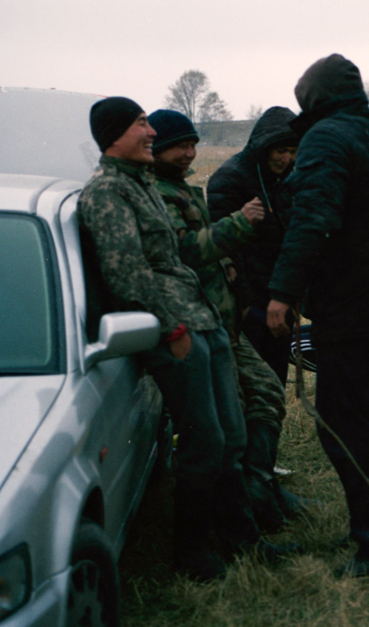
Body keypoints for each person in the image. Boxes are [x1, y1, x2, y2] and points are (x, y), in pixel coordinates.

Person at [77, 96, 295, 581]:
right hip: (179, 329)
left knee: (231, 436)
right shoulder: (107, 193)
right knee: (204, 442)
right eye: (141, 124)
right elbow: (127, 275)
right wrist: (171, 328)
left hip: (205, 319)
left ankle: (243, 542)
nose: (151, 132)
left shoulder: (140, 183)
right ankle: (193, 553)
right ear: (114, 135)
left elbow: (175, 258)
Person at [265, 55, 369, 578]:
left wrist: (283, 291)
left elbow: (314, 217)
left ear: (313, 99)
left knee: (342, 421)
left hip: (350, 303)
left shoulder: (326, 138)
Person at [147, 108, 310, 532]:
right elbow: (197, 251)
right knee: (228, 423)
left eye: (193, 144)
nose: (189, 153)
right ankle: (235, 520)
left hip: (233, 313)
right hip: (218, 318)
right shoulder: (216, 183)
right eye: (180, 146)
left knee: (266, 394)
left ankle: (261, 490)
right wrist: (252, 299)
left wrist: (283, 292)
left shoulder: (186, 189)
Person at [207, 107, 298, 384]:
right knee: (250, 385)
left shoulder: (285, 180)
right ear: (264, 145)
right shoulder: (230, 179)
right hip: (247, 305)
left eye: (293, 151)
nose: (287, 158)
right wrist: (246, 305)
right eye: (281, 150)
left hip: (278, 298)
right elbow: (227, 251)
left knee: (275, 379)